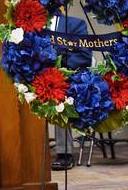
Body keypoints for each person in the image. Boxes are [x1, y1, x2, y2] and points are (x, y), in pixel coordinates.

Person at [51, 16, 93, 171]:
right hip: (33, 76)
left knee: (60, 93)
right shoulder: (28, 24)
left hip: (64, 77)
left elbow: (84, 57)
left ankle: (64, 153)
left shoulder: (74, 24)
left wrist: (54, 61)